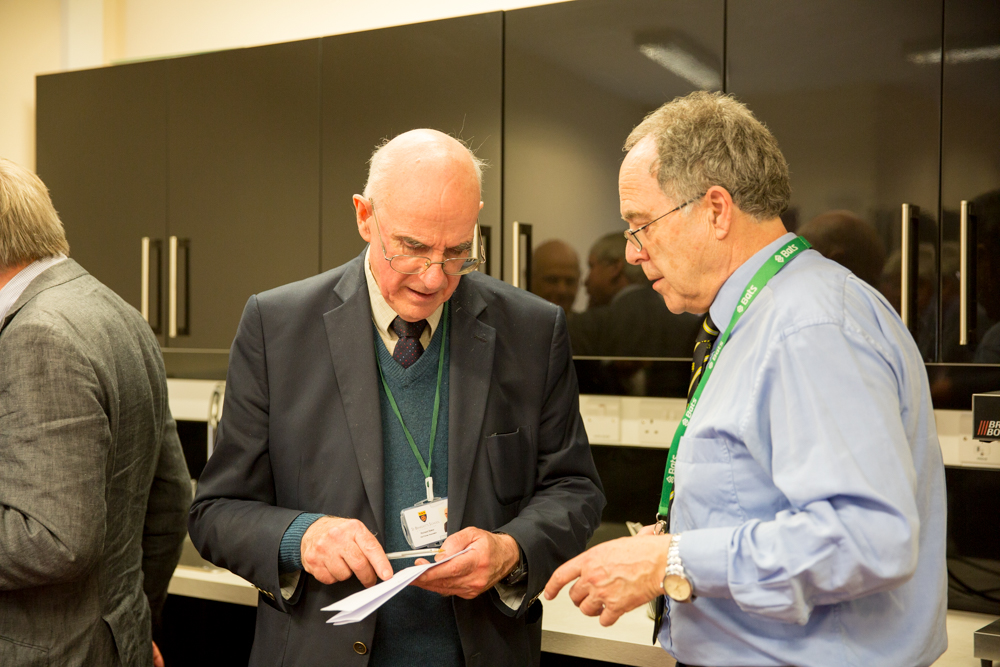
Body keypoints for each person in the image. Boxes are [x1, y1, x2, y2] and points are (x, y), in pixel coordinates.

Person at [545, 92, 947, 667]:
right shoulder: (755, 317)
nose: (632, 253)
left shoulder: (808, 326)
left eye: (642, 225)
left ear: (715, 209)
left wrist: (672, 562)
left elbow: (868, 538)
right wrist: (670, 543)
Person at [188, 129, 604, 666]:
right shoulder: (277, 327)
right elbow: (216, 511)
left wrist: (511, 550)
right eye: (412, 248)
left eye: (457, 252)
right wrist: (300, 536)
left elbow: (575, 490)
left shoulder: (530, 330)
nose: (434, 278)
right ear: (365, 217)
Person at [0, 157, 191, 666]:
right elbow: (171, 497)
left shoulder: (35, 336)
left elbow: (53, 540)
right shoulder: (115, 310)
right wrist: (130, 625)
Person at [530, 238, 581, 312]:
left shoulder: (590, 323)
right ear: (530, 279)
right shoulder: (510, 321)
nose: (562, 290)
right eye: (552, 280)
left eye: (570, 281)